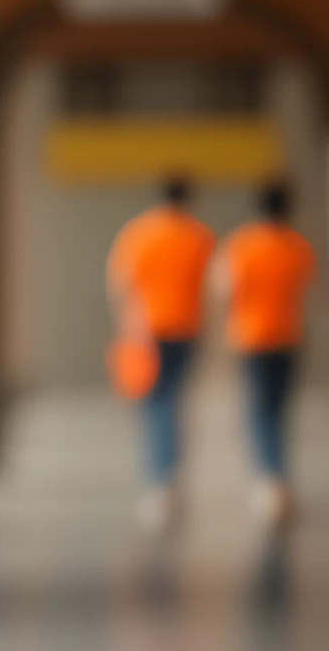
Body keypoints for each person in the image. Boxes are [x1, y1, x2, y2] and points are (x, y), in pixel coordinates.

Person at [107, 174, 216, 529]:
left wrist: (127, 325)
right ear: (189, 198)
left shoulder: (139, 233)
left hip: (147, 331)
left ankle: (160, 483)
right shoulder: (199, 237)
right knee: (173, 401)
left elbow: (121, 282)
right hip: (187, 328)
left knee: (156, 404)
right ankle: (170, 479)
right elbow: (210, 289)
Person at [212, 180, 315, 528]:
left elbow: (224, 290)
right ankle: (279, 479)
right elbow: (304, 291)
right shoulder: (297, 247)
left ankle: (268, 482)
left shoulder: (241, 245)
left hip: (251, 338)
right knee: (279, 411)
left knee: (260, 412)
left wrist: (226, 330)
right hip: (288, 337)